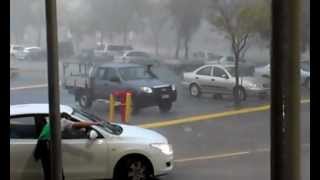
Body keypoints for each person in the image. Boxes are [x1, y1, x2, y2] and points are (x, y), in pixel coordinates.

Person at [34, 113, 99, 180]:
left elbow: (72, 129)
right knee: (56, 170)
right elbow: (78, 124)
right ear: (67, 118)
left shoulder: (52, 122)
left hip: (41, 145)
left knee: (48, 170)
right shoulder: (64, 121)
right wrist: (94, 123)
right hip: (47, 145)